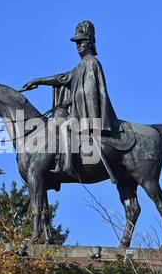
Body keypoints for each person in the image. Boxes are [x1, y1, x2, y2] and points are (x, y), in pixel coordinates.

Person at [20, 21, 119, 174]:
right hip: (78, 109)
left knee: (64, 125)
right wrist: (37, 81)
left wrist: (72, 103)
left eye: (81, 42)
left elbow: (90, 92)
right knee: (56, 120)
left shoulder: (92, 63)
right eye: (76, 43)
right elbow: (62, 78)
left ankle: (68, 164)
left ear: (90, 43)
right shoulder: (80, 66)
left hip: (86, 112)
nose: (78, 45)